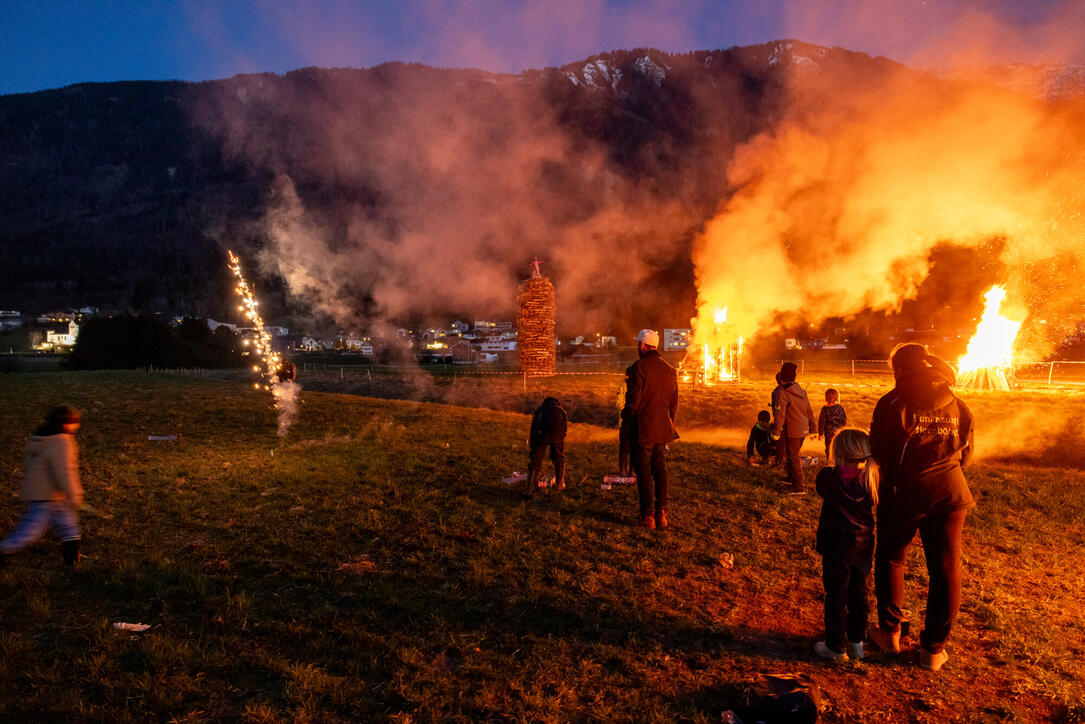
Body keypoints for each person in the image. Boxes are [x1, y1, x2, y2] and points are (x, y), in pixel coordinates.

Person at [869, 343, 974, 672]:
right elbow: (966, 453)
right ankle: (933, 651)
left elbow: (879, 452)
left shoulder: (892, 403)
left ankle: (889, 634)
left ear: (899, 369)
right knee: (945, 571)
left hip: (904, 494)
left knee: (891, 558)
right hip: (951, 494)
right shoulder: (957, 403)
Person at [814, 428, 880, 663]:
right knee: (859, 593)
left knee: (836, 595)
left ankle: (834, 645)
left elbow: (821, 489)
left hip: (835, 546)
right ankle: (856, 642)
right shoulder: (872, 478)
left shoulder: (828, 477)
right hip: (862, 546)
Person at [0, 405, 84, 567]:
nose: (77, 425)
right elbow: (65, 471)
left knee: (69, 526)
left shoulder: (41, 437)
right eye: (75, 422)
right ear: (66, 423)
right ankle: (5, 548)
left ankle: (72, 561)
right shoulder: (62, 441)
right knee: (29, 532)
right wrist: (74, 495)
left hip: (49, 494)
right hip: (46, 497)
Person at [627, 329, 679, 529]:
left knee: (644, 471)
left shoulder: (639, 367)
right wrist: (669, 423)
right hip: (663, 427)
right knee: (660, 469)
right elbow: (674, 403)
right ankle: (662, 513)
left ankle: (647, 516)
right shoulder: (670, 370)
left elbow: (634, 402)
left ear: (642, 345)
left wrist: (628, 417)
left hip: (644, 428)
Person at [771, 362, 817, 492]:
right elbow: (809, 410)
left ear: (782, 375)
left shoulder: (782, 392)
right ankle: (791, 478)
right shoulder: (800, 390)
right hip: (802, 429)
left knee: (793, 456)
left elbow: (779, 413)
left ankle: (798, 486)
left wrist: (776, 431)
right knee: (791, 454)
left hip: (792, 429)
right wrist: (813, 428)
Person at [524, 396, 567, 497]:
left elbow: (534, 428)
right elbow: (564, 430)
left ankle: (529, 489)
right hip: (557, 438)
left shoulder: (540, 410)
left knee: (535, 461)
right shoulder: (561, 411)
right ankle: (560, 484)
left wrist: (532, 445)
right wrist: (560, 442)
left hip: (541, 436)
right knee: (559, 459)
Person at [817, 388, 848, 459]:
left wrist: (820, 433)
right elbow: (844, 419)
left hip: (829, 433)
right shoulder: (840, 407)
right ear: (837, 397)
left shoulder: (824, 409)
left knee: (829, 448)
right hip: (839, 432)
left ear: (826, 398)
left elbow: (822, 421)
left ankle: (830, 461)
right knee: (837, 447)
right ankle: (838, 462)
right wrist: (843, 428)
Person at [617, 364, 636, 478]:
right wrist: (629, 410)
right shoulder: (623, 387)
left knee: (634, 448)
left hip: (635, 422)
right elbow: (619, 404)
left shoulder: (637, 386)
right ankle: (622, 470)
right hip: (624, 422)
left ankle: (632, 471)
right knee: (625, 448)